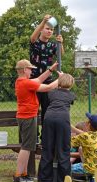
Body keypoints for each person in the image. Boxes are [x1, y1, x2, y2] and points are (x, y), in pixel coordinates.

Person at [13, 59, 62, 182]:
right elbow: (48, 87)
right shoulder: (25, 83)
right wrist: (61, 79)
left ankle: (23, 174)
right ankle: (18, 175)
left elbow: (39, 80)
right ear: (24, 70)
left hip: (27, 116)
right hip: (28, 117)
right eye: (30, 69)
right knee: (26, 147)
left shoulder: (22, 81)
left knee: (28, 146)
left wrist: (51, 69)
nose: (32, 71)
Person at [30, 14, 64, 143]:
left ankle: (45, 138)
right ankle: (34, 137)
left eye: (51, 30)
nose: (49, 31)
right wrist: (43, 21)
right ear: (41, 29)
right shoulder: (36, 43)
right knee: (33, 110)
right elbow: (32, 37)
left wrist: (61, 43)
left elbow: (60, 54)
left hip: (48, 82)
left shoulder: (52, 45)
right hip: (34, 80)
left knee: (47, 110)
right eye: (47, 28)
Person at [37, 74, 75, 182]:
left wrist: (59, 78)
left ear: (58, 82)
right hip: (63, 120)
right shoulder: (71, 95)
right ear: (71, 84)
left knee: (47, 149)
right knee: (63, 150)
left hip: (49, 119)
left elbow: (51, 88)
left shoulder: (51, 93)